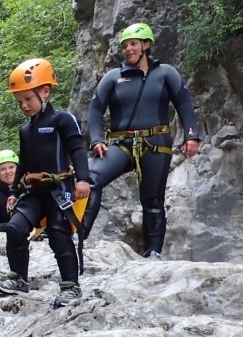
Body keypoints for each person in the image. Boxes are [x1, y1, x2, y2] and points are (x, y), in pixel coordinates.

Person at [85, 22, 201, 258]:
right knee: (90, 180)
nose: (128, 49)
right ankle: (78, 237)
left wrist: (191, 134)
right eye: (125, 46)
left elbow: (184, 104)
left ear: (146, 46)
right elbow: (95, 109)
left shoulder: (166, 73)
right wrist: (96, 138)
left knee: (153, 201)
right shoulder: (113, 77)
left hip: (155, 143)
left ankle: (153, 254)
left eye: (134, 44)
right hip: (121, 143)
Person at [0, 58, 91, 308]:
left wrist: (83, 179)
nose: (24, 105)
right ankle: (19, 279)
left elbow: (78, 149)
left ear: (45, 91)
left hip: (59, 189)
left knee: (59, 233)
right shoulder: (25, 130)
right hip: (34, 192)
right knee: (15, 228)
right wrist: (14, 191)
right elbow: (23, 163)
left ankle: (70, 285)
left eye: (28, 99)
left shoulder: (63, 120)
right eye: (19, 102)